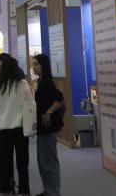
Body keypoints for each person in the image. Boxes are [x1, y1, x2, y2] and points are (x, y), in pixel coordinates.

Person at [0, 56, 34, 196]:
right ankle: (25, 191)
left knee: (5, 162)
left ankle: (6, 190)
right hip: (21, 128)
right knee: (23, 163)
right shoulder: (23, 84)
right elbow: (31, 104)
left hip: (3, 129)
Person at [31, 54, 65, 196]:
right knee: (43, 160)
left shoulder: (47, 83)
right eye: (33, 64)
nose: (34, 67)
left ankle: (53, 192)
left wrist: (49, 112)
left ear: (43, 65)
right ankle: (48, 190)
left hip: (48, 127)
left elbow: (60, 99)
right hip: (43, 127)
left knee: (49, 160)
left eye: (36, 64)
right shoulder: (40, 81)